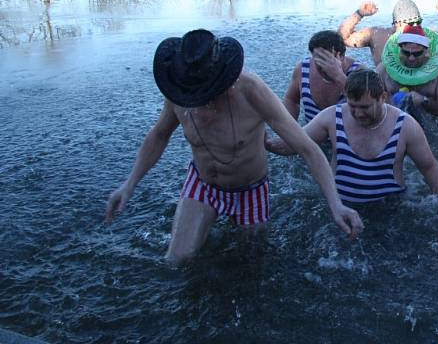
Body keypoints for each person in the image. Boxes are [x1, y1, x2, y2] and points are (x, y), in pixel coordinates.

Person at [105, 29, 363, 264]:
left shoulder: (251, 90)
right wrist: (128, 185)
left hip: (250, 190)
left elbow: (307, 148)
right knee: (176, 261)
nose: (200, 97)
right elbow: (158, 136)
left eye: (206, 90)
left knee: (250, 263)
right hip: (202, 184)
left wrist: (336, 204)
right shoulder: (180, 90)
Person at [266, 69, 438, 215]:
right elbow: (295, 145)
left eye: (365, 107)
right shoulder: (332, 117)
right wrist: (265, 142)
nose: (358, 113)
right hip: (342, 205)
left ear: (382, 98)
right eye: (353, 106)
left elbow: (429, 166)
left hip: (390, 208)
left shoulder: (405, 126)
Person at [338, 0, 438, 65]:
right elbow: (343, 38)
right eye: (411, 23)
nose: (416, 27)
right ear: (397, 24)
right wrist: (359, 14)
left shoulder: (426, 36)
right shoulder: (376, 35)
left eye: (419, 23)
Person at [283, 30, 362, 123]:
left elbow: (365, 104)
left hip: (346, 135)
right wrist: (291, 129)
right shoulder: (303, 69)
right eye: (320, 61)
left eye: (328, 61)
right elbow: (291, 100)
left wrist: (338, 76)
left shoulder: (359, 72)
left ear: (342, 56)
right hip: (310, 135)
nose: (325, 68)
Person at [377, 24, 438, 118]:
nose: (411, 58)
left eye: (417, 54)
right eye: (406, 53)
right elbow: (371, 104)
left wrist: (424, 101)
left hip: (429, 126)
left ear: (426, 51)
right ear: (399, 49)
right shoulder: (384, 69)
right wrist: (387, 102)